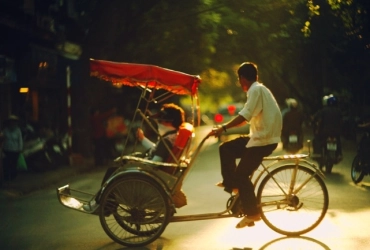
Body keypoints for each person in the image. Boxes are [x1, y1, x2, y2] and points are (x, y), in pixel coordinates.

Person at [209, 62, 282, 229]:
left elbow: (244, 116)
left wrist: (223, 128)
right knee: (225, 148)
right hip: (258, 138)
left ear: (242, 78)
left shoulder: (256, 90)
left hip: (263, 141)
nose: (239, 82)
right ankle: (232, 183)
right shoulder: (259, 90)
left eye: (239, 79)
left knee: (242, 175)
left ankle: (252, 212)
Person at [83, 103, 186, 211]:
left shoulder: (166, 141)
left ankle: (101, 202)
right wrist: (142, 139)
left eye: (160, 121)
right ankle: (108, 202)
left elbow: (155, 162)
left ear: (169, 122)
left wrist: (134, 162)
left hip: (151, 172)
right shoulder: (173, 137)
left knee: (113, 169)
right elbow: (158, 150)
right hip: (158, 170)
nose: (158, 124)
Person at [312, 94, 343, 160]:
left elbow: (319, 120)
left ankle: (318, 153)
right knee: (338, 141)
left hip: (325, 132)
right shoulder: (339, 111)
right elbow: (341, 122)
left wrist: (317, 129)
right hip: (336, 132)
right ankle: (339, 154)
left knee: (316, 139)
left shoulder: (323, 110)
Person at [1, 115, 23, 181]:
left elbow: (20, 140)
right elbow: (2, 139)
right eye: (11, 122)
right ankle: (7, 177)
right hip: (6, 149)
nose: (12, 123)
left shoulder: (18, 130)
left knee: (13, 164)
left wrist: (20, 149)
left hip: (15, 150)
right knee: (6, 164)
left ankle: (13, 177)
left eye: (14, 122)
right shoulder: (5, 130)